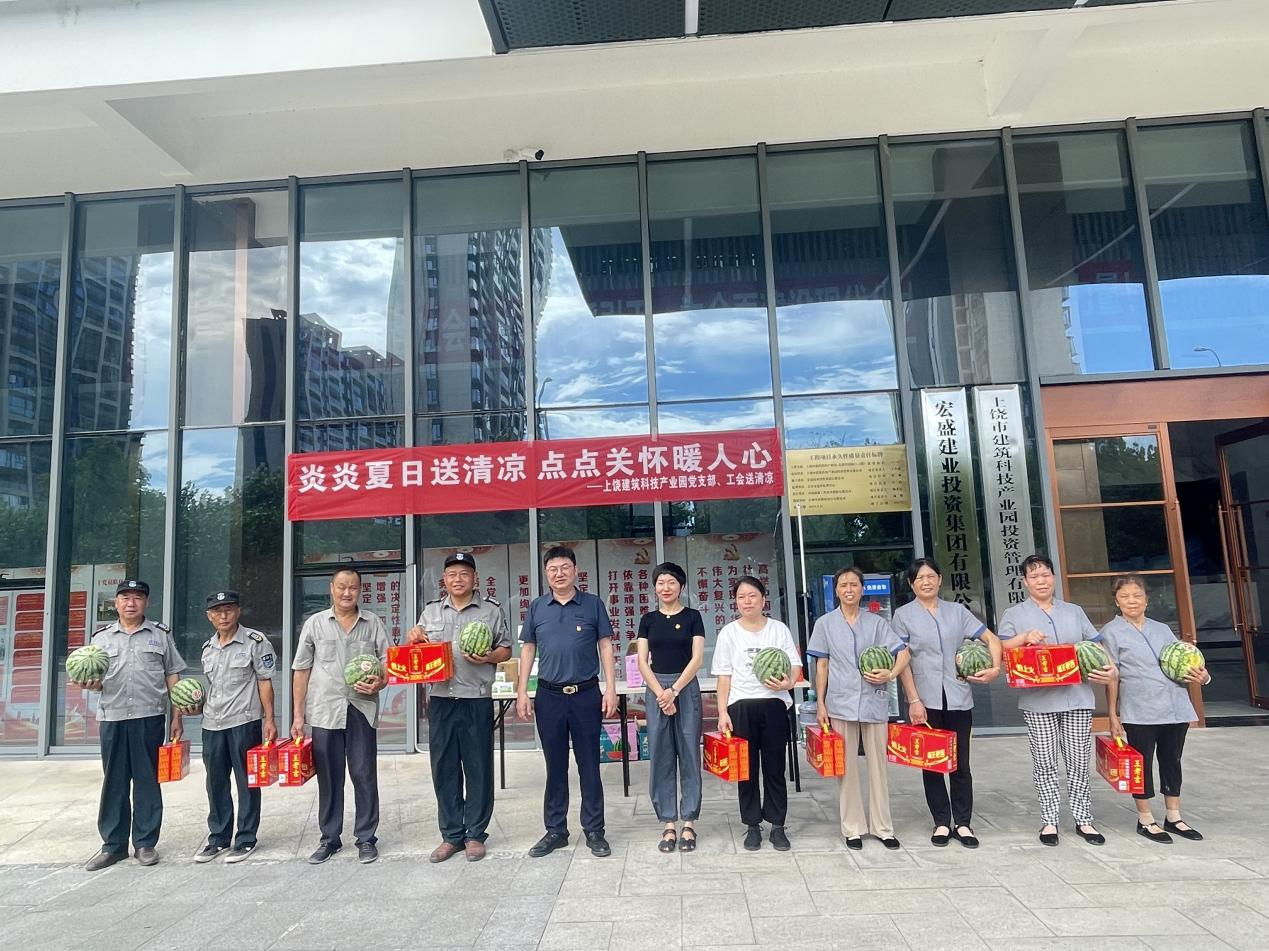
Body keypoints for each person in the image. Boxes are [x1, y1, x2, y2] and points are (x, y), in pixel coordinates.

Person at [999, 554, 1117, 847]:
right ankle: (1049, 820)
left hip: (1077, 697)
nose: (1041, 581)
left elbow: (1095, 644)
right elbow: (1000, 648)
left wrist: (1110, 666)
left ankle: (1083, 819)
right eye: (1034, 576)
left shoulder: (1074, 611)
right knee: (1044, 762)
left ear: (1053, 577)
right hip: (1037, 701)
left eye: (1045, 575)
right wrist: (1024, 637)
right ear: (1025, 581)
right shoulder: (1014, 614)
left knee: (1078, 761)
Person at [407, 552, 512, 863]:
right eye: (452, 574)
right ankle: (451, 835)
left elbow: (506, 649)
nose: (458, 579)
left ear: (475, 579)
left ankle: (475, 834)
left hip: (476, 698)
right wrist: (413, 638)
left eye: (464, 574)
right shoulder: (430, 612)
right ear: (444, 579)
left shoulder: (491, 610)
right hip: (440, 699)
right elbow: (416, 648)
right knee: (444, 767)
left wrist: (489, 656)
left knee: (478, 767)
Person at [517, 546, 619, 858]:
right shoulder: (537, 607)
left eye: (564, 567)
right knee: (555, 766)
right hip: (549, 697)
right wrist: (522, 691)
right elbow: (528, 649)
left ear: (575, 570)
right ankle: (556, 831)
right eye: (553, 569)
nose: (559, 574)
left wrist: (611, 688)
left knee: (589, 765)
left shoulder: (592, 604)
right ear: (546, 574)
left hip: (586, 695)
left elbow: (605, 646)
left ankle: (595, 830)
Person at [893, 558, 1001, 849]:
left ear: (940, 579)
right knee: (931, 763)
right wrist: (913, 700)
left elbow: (991, 639)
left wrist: (995, 668)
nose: (926, 582)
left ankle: (963, 823)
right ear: (911, 584)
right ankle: (941, 821)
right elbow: (903, 661)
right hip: (924, 699)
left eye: (931, 576)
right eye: (920, 578)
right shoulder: (903, 616)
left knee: (960, 763)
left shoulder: (958, 612)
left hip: (958, 697)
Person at [79, 579, 186, 871]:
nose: (131, 602)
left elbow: (173, 675)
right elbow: (95, 680)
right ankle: (113, 846)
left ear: (146, 603)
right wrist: (89, 683)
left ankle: (145, 843)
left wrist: (177, 716)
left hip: (149, 717)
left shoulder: (160, 635)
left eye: (137, 597)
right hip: (112, 717)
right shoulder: (101, 638)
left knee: (147, 780)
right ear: (116, 603)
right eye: (125, 597)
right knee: (114, 781)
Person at [291, 567, 390, 865]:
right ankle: (329, 839)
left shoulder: (372, 623)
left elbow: (388, 661)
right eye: (342, 587)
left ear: (360, 590)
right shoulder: (315, 623)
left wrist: (380, 682)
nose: (347, 593)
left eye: (353, 587)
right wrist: (298, 716)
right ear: (331, 589)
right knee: (329, 777)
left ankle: (366, 838)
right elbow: (301, 669)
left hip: (361, 707)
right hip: (325, 711)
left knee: (363, 773)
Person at [1102, 575, 1209, 844]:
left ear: (1147, 600)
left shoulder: (1162, 629)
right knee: (1141, 764)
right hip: (1140, 709)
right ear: (1117, 602)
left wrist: (1203, 676)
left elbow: (1183, 661)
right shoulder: (1111, 632)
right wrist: (1113, 715)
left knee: (1172, 759)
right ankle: (1145, 819)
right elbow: (1112, 676)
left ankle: (1174, 816)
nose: (1132, 601)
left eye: (1137, 595)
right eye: (1125, 596)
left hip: (1175, 706)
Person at [809, 566, 911, 851]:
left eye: (854, 584)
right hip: (840, 702)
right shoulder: (825, 624)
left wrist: (890, 674)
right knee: (847, 767)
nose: (849, 589)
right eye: (843, 585)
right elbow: (822, 666)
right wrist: (820, 703)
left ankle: (883, 828)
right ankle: (852, 828)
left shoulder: (876, 623)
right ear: (836, 590)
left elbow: (903, 653)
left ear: (862, 589)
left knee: (878, 765)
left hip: (873, 700)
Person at [713, 575, 801, 852]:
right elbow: (724, 677)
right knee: (746, 770)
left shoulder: (778, 630)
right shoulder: (729, 633)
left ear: (763, 599)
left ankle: (777, 825)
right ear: (736, 602)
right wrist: (722, 712)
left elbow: (795, 665)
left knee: (775, 768)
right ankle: (752, 825)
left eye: (752, 596)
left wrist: (788, 683)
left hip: (774, 704)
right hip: (740, 707)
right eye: (741, 597)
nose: (747, 601)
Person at [195, 590, 277, 865]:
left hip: (244, 721)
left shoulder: (255, 641)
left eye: (229, 609)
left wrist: (269, 719)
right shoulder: (207, 648)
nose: (223, 615)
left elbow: (264, 681)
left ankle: (245, 839)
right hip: (212, 723)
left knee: (247, 781)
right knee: (215, 782)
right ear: (209, 616)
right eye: (217, 611)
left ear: (238, 611)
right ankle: (218, 837)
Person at [635, 562, 706, 853]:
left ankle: (689, 821)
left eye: (672, 582)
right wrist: (661, 694)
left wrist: (674, 691)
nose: (666, 588)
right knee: (661, 756)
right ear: (655, 588)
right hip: (656, 689)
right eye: (661, 583)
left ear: (681, 587)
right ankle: (668, 823)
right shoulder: (648, 619)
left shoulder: (693, 617)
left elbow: (697, 659)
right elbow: (642, 661)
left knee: (689, 753)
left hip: (685, 688)